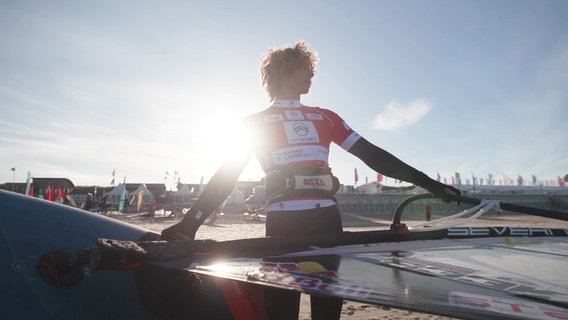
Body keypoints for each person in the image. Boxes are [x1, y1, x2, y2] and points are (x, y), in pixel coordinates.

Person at [162, 41, 460, 319]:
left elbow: (372, 155)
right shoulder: (253, 123)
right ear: (286, 69)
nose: (312, 77)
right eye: (307, 70)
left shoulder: (326, 117)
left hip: (326, 222)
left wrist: (430, 184)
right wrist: (191, 223)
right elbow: (227, 176)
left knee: (327, 310)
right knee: (282, 310)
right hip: (282, 227)